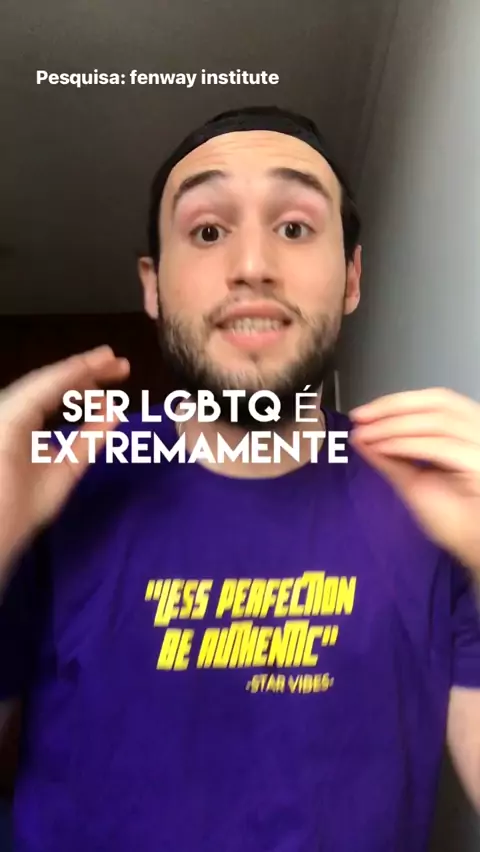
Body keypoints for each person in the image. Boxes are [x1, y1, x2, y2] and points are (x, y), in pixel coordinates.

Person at [1, 105, 480, 852]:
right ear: (153, 286)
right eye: (207, 231)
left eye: (294, 226)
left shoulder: (442, 499)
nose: (253, 264)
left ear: (351, 277)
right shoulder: (49, 478)